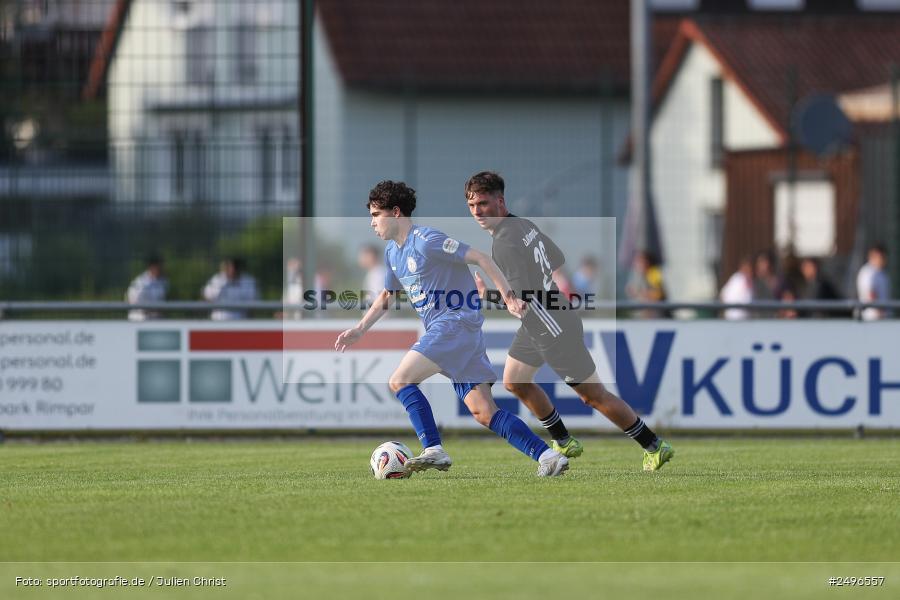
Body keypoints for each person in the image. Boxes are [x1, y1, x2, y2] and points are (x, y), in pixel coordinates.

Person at [334, 180, 569, 477]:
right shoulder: (393, 253)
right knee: (484, 412)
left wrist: (508, 296)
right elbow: (388, 296)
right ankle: (548, 457)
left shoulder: (427, 239)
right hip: (454, 333)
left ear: (395, 213)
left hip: (455, 324)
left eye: (376, 215)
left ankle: (433, 447)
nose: (372, 223)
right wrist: (360, 329)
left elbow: (480, 258)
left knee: (400, 381)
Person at [463, 171, 674, 472]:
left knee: (593, 396)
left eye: (483, 203)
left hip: (552, 327)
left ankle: (653, 445)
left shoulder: (504, 242)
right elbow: (557, 259)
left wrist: (490, 297)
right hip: (545, 318)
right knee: (515, 381)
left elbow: (521, 300)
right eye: (471, 206)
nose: (477, 212)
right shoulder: (524, 225)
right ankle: (562, 440)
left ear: (500, 200)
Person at [625, 250, 667, 319]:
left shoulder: (653, 273)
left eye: (639, 261)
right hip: (643, 316)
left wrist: (639, 293)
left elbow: (658, 294)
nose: (637, 264)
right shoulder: (638, 275)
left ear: (647, 262)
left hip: (656, 316)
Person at [125, 255, 168, 321]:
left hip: (156, 319)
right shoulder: (141, 282)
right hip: (139, 319)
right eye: (159, 265)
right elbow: (132, 301)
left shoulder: (163, 281)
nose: (162, 268)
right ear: (152, 266)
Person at [857, 243, 890, 321]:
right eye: (881, 256)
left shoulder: (882, 274)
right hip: (871, 319)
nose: (884, 259)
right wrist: (879, 312)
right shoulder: (868, 272)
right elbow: (871, 293)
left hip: (882, 318)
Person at [720, 256, 754, 320]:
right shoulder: (737, 278)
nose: (748, 269)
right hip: (733, 318)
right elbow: (723, 295)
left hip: (745, 320)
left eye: (749, 267)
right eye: (746, 267)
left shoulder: (749, 280)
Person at [357, 244, 387, 310]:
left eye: (363, 255)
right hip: (376, 317)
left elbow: (380, 300)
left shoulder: (378, 274)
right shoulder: (373, 273)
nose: (360, 259)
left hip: (380, 318)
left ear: (371, 256)